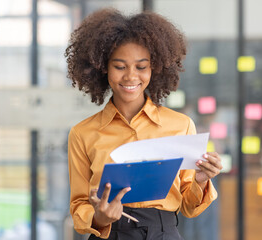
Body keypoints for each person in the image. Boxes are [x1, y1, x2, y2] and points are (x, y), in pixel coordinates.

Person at [65, 8, 222, 240]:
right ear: (103, 67)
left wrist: (201, 179)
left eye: (141, 67)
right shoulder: (83, 133)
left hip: (163, 232)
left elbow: (189, 207)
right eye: (120, 66)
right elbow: (78, 206)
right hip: (110, 234)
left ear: (154, 68)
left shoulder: (180, 125)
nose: (130, 76)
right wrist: (100, 218)